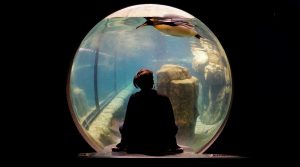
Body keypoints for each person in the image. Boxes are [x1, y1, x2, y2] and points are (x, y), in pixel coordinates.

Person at [112, 68, 183, 155]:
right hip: (160, 145)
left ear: (139, 84)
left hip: (136, 145)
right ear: (152, 82)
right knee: (175, 125)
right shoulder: (164, 98)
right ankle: (174, 146)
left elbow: (128, 123)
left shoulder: (134, 98)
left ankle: (122, 145)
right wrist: (173, 145)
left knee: (121, 125)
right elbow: (170, 124)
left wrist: (122, 144)